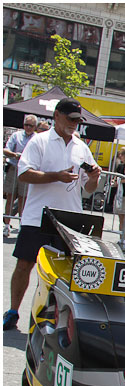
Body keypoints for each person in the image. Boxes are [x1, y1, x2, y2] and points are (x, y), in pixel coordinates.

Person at [3, 98, 101, 331]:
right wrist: (55, 175)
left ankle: (52, 315)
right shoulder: (39, 140)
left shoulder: (81, 147)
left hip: (69, 218)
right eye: (71, 119)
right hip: (38, 215)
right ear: (57, 116)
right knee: (25, 264)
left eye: (78, 120)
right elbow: (24, 174)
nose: (74, 124)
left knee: (63, 270)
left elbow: (89, 188)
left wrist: (95, 178)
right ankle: (13, 310)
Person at [4, 114, 38, 236]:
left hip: (27, 171)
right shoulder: (16, 135)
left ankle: (21, 227)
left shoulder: (37, 139)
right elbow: (5, 150)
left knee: (23, 200)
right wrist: (15, 155)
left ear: (35, 127)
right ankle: (6, 225)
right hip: (14, 168)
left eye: (30, 125)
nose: (28, 127)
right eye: (26, 125)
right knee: (10, 197)